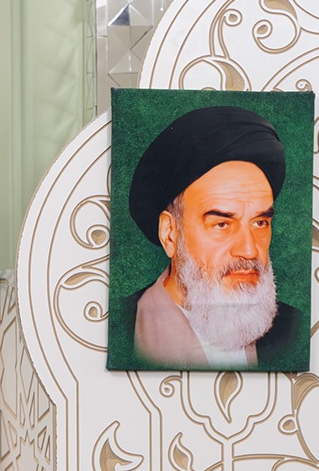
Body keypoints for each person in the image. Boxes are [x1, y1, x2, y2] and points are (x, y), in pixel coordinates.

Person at [117, 105, 304, 370]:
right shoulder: (120, 329)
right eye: (222, 224)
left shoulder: (295, 331)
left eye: (259, 222)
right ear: (170, 233)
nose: (249, 250)